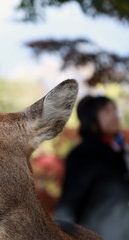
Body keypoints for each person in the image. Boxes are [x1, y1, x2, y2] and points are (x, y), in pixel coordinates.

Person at [55, 95, 129, 240]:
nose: (114, 116)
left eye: (114, 110)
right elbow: (67, 208)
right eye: (107, 111)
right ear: (91, 118)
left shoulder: (119, 151)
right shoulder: (84, 154)